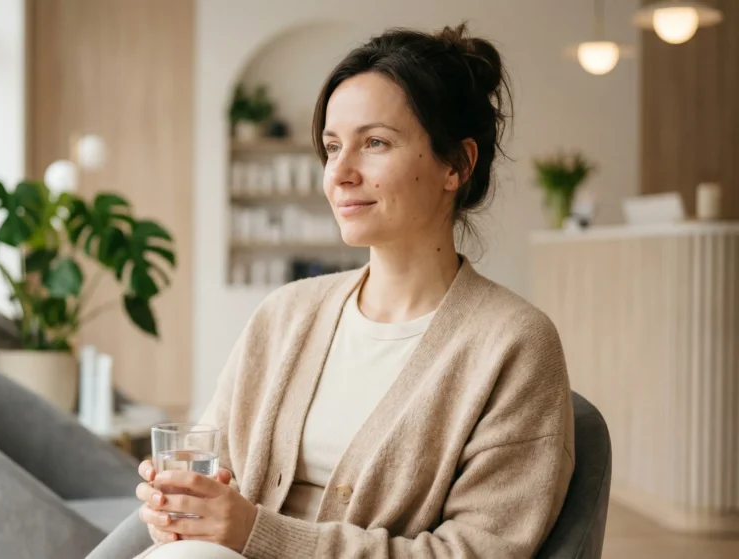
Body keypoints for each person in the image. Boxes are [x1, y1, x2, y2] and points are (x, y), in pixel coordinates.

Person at [132, 23, 574, 558]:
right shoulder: (284, 314)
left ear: (457, 164)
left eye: (375, 143)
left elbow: (479, 551)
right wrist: (180, 512)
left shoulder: (515, 344)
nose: (339, 173)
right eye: (332, 146)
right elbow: (211, 476)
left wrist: (255, 532)